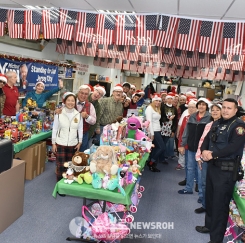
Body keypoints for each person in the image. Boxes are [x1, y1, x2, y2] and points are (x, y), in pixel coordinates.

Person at [196, 98, 245, 243]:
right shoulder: (217, 122)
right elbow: (206, 139)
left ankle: (216, 239)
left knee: (219, 206)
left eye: (229, 108)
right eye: (223, 107)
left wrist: (213, 154)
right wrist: (204, 150)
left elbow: (234, 146)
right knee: (210, 200)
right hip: (213, 167)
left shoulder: (239, 126)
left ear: (236, 110)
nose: (225, 110)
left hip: (226, 172)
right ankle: (209, 226)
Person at [178, 98, 211, 197]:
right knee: (190, 168)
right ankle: (188, 188)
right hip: (191, 147)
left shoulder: (209, 118)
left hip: (202, 150)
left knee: (200, 172)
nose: (201, 106)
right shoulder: (192, 117)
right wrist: (182, 144)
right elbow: (186, 132)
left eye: (203, 105)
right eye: (199, 104)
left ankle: (201, 194)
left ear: (206, 106)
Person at [194, 103, 222, 214]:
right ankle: (205, 205)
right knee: (204, 183)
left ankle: (213, 208)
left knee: (216, 185)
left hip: (218, 160)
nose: (214, 112)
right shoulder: (209, 124)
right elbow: (202, 141)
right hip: (205, 159)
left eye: (217, 110)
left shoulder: (225, 126)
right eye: (213, 110)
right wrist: (198, 156)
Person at [52, 92, 83, 183]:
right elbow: (55, 129)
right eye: (68, 100)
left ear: (75, 102)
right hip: (60, 143)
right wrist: (53, 143)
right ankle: (60, 186)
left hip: (73, 144)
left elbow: (80, 129)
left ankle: (67, 184)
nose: (70, 102)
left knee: (70, 166)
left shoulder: (78, 115)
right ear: (64, 102)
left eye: (72, 101)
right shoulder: (59, 113)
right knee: (61, 166)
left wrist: (79, 142)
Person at [176, 98, 197, 171]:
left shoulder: (199, 118)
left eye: (193, 107)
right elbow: (182, 129)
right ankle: (182, 165)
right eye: (189, 107)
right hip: (185, 140)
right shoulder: (186, 117)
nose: (191, 109)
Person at [145, 93, 162, 172]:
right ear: (153, 101)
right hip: (153, 131)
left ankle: (152, 163)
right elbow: (149, 122)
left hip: (158, 130)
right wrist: (151, 133)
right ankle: (151, 162)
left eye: (159, 101)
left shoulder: (156, 109)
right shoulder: (149, 108)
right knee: (162, 147)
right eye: (156, 101)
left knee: (156, 147)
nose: (158, 102)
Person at [76, 84, 96, 152]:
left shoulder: (90, 106)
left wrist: (87, 117)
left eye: (86, 94)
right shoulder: (70, 102)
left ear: (88, 95)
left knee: (82, 155)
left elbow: (94, 121)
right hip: (70, 134)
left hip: (84, 134)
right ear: (78, 92)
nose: (83, 95)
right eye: (82, 93)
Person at [160, 92, 178, 164]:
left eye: (171, 99)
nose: (170, 100)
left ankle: (163, 157)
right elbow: (160, 117)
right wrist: (168, 119)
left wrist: (173, 131)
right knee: (161, 143)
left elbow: (175, 121)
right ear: (166, 100)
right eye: (168, 99)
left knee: (165, 143)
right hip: (162, 127)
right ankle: (160, 157)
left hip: (169, 128)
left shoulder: (174, 109)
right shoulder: (162, 107)